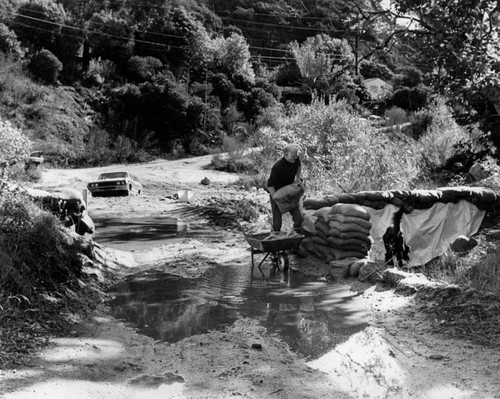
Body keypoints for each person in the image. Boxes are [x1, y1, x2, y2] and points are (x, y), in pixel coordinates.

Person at [267, 143, 306, 258]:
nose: (296, 157)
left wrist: (298, 178)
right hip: (277, 194)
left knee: (299, 219)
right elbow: (270, 185)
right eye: (293, 155)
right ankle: (274, 251)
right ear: (285, 154)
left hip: (290, 193)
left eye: (296, 155)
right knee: (277, 224)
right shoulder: (277, 167)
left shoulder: (296, 159)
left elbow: (299, 166)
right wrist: (277, 200)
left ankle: (295, 247)